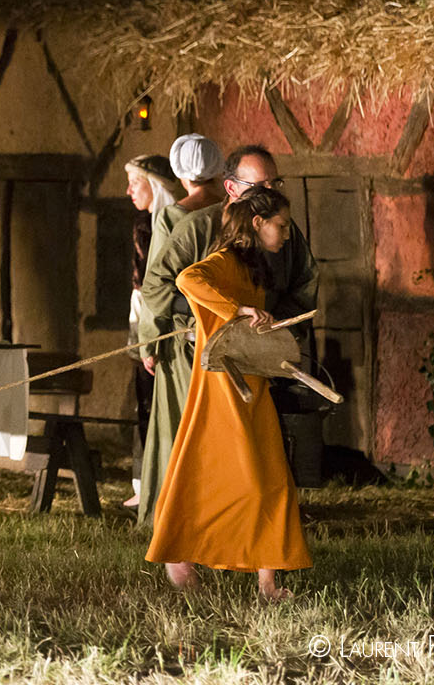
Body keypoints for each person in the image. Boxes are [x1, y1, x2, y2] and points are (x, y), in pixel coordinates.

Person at [136, 143, 316, 525]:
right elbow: (159, 286)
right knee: (203, 449)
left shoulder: (283, 233)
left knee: (257, 452)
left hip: (256, 358)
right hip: (199, 360)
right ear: (232, 189)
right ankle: (186, 533)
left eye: (275, 183)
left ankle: (252, 533)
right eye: (260, 186)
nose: (270, 194)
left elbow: (304, 284)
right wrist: (211, 316)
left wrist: (272, 328)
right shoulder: (198, 229)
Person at [146, 187, 312, 600]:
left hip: (252, 383)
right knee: (229, 479)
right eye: (282, 225)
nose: (287, 235)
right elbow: (187, 278)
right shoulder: (225, 260)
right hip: (222, 386)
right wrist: (237, 309)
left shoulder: (256, 265)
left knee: (274, 480)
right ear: (258, 224)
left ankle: (268, 582)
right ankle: (179, 556)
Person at [122, 154, 182, 508]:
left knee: (160, 401)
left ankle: (163, 483)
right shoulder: (143, 225)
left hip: (163, 322)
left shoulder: (167, 225)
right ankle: (144, 483)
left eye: (136, 182)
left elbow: (159, 286)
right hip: (142, 318)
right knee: (144, 401)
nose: (129, 190)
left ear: (156, 186)